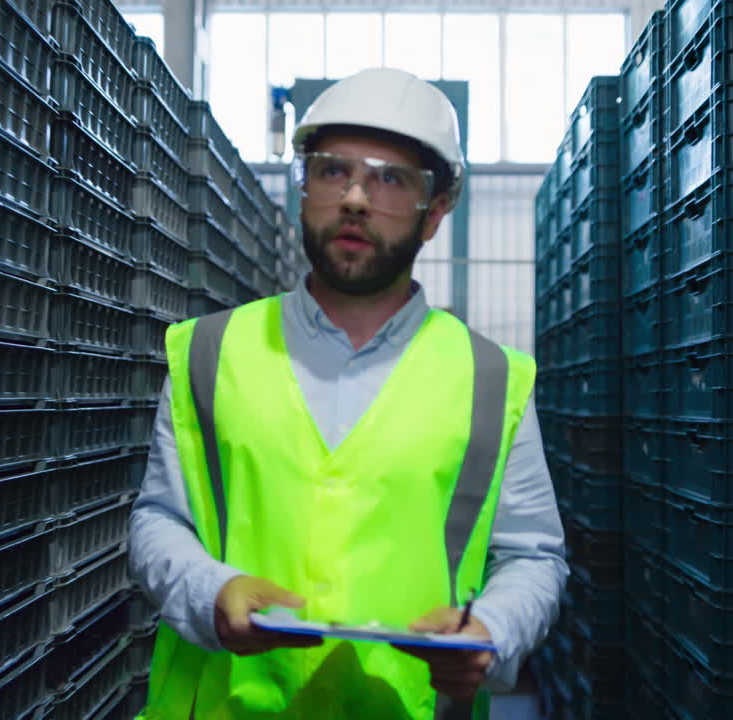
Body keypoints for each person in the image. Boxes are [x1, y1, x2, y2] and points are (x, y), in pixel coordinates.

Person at [129, 67, 567, 720]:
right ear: (304, 189)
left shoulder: (490, 378)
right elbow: (159, 519)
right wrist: (210, 592)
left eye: (391, 179)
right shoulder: (209, 352)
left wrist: (490, 630)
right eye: (334, 171)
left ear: (433, 213)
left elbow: (533, 556)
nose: (356, 198)